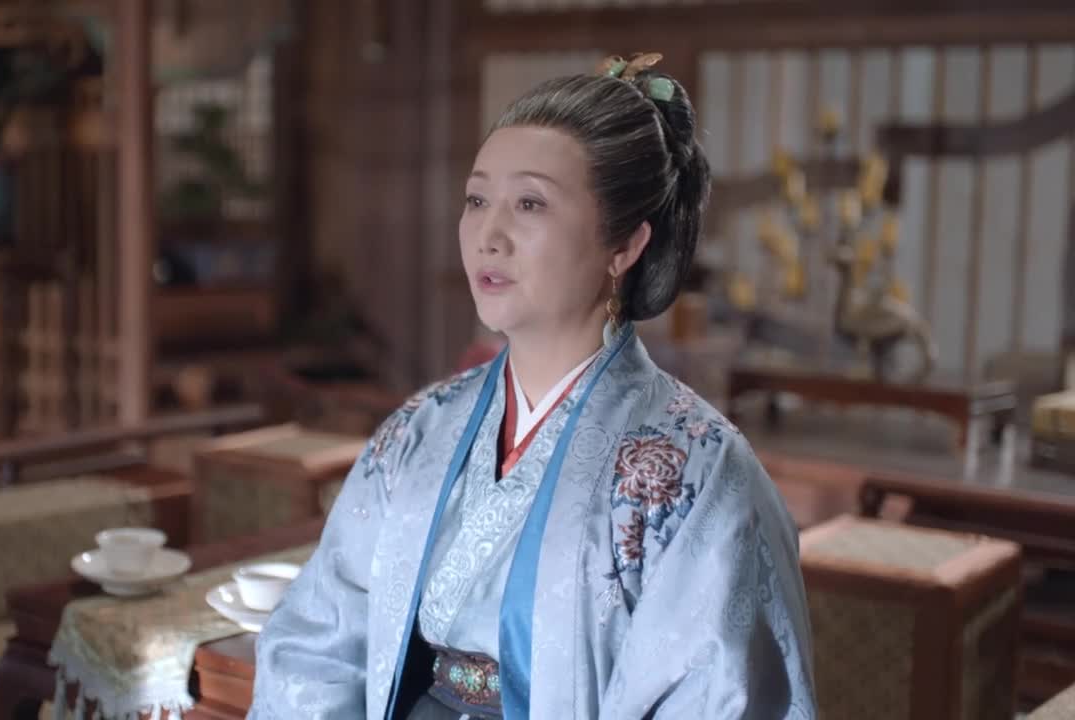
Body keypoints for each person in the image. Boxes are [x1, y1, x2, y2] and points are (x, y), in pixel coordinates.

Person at [249, 53, 815, 720]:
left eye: (530, 203)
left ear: (624, 246)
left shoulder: (699, 475)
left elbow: (714, 699)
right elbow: (316, 643)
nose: (489, 236)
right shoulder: (420, 430)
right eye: (477, 200)